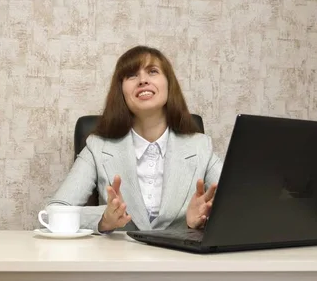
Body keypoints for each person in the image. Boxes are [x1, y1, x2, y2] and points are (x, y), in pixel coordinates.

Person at [47, 45, 223, 233]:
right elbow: (53, 213)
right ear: (121, 91)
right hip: (120, 258)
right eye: (132, 75)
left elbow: (239, 206)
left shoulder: (200, 145)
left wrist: (203, 220)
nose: (143, 80)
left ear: (169, 84)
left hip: (179, 258)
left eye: (152, 71)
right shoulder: (97, 146)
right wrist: (103, 220)